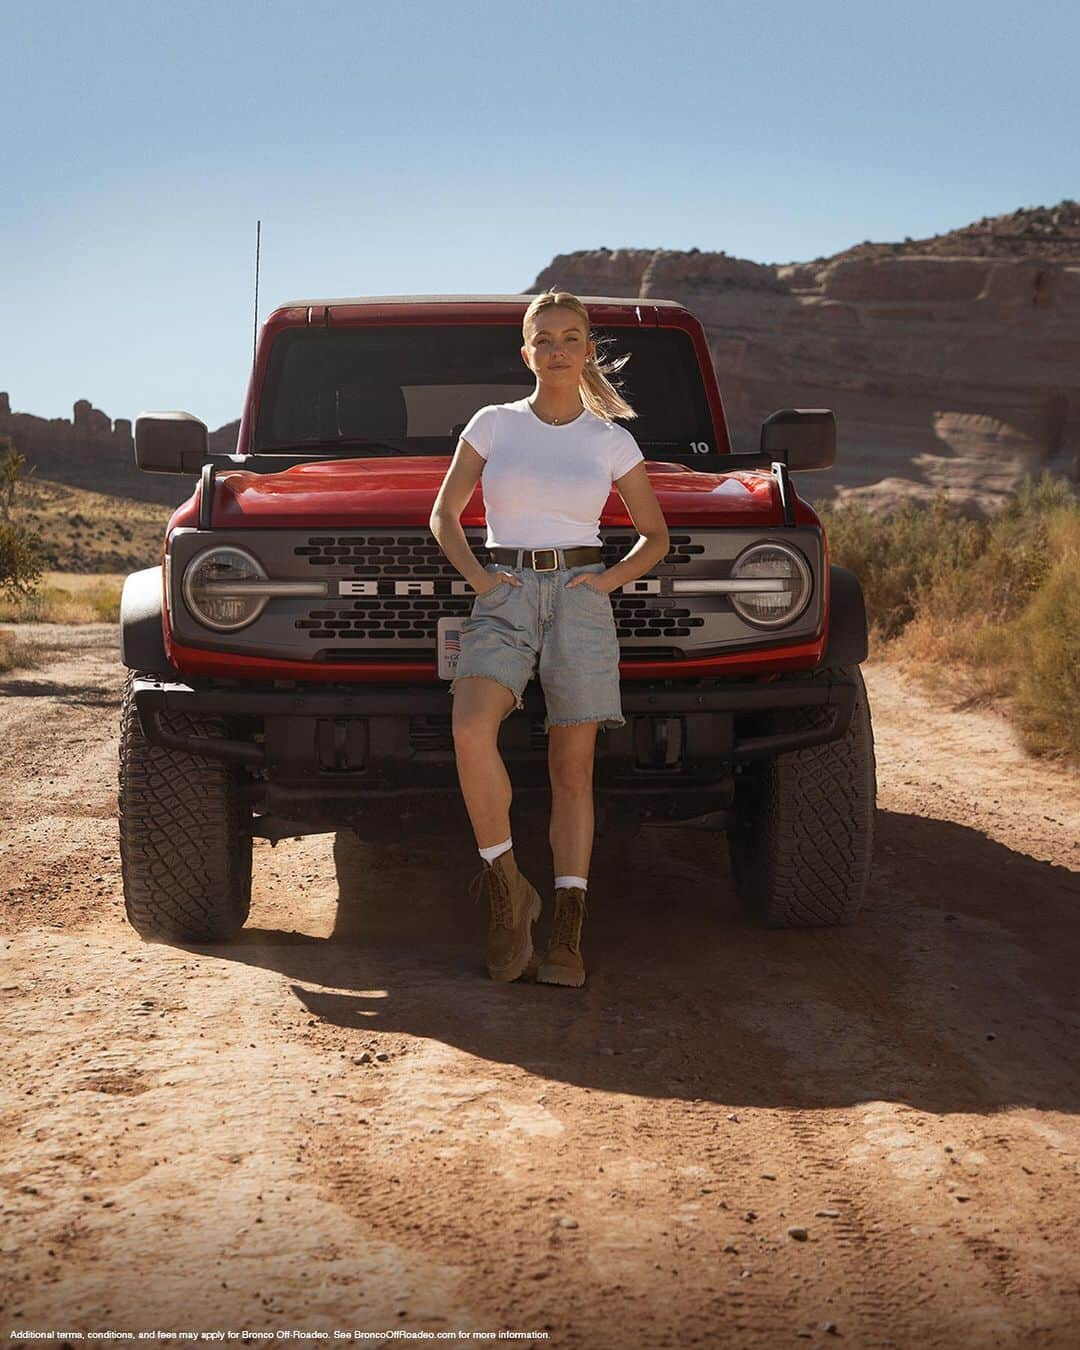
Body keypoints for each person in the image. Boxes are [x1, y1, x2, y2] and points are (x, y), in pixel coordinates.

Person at [429, 289, 670, 987]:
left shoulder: (610, 440)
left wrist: (605, 583)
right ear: (526, 352)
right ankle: (509, 889)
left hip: (580, 597)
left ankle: (566, 930)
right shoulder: (494, 425)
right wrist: (480, 580)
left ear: (588, 350)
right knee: (471, 728)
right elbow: (445, 514)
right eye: (545, 338)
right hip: (504, 593)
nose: (558, 349)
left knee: (573, 771)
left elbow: (656, 536)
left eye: (571, 337)